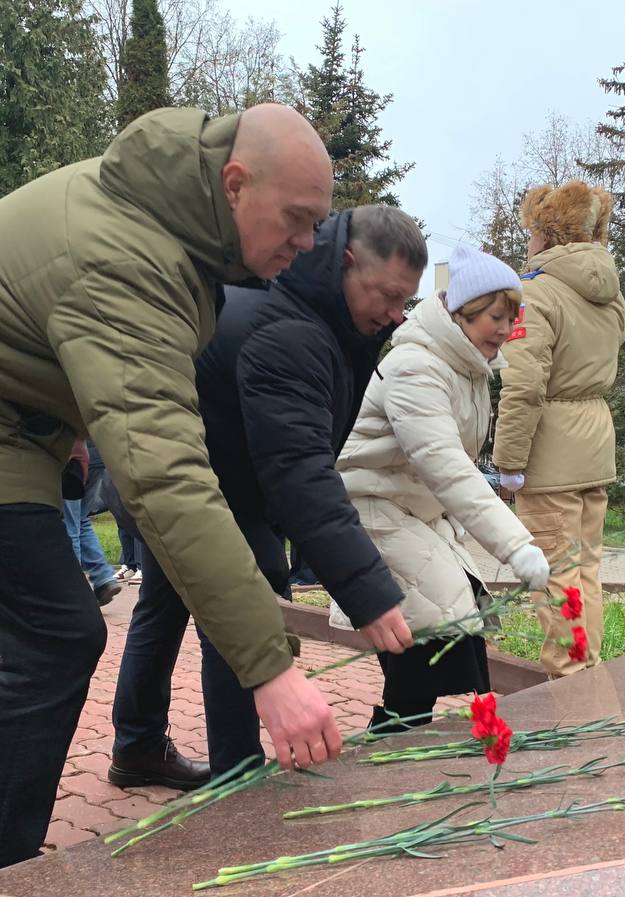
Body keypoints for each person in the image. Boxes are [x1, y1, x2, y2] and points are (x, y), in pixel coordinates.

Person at [0, 104, 339, 883]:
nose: (307, 242)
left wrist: (65, 421)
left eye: (318, 225)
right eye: (298, 219)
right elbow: (166, 478)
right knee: (57, 636)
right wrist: (270, 670)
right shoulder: (138, 257)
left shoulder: (168, 216)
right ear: (235, 185)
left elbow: (44, 323)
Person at [108, 206, 424, 787]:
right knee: (244, 605)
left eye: (406, 301)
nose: (396, 314)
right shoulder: (293, 332)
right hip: (190, 486)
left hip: (178, 477)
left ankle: (137, 746)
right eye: (388, 295)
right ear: (347, 263)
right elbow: (299, 473)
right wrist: (369, 592)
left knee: (163, 604)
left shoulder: (304, 303)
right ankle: (239, 778)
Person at [333, 245, 550, 724]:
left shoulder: (467, 367)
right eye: (495, 316)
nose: (505, 329)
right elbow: (445, 464)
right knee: (433, 622)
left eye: (511, 317)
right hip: (373, 507)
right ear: (463, 312)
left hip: (413, 511)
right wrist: (515, 545)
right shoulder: (416, 366)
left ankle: (404, 732)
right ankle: (397, 735)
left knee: (448, 618)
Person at [492, 181, 625, 677]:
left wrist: (509, 462)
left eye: (531, 232)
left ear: (546, 235)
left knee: (554, 576)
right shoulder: (609, 294)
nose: (527, 241)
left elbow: (524, 386)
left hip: (550, 455)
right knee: (585, 571)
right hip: (595, 443)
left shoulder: (535, 293)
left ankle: (569, 685)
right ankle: (587, 676)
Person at [61, 440, 121, 607]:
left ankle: (72, 591)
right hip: (98, 459)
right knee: (81, 520)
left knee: (69, 525)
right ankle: (103, 578)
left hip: (73, 460)